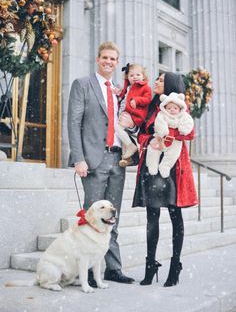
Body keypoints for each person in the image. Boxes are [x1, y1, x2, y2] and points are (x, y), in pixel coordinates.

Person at [68, 41, 135, 285]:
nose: (109, 62)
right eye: (105, 57)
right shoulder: (83, 85)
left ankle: (113, 270)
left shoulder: (120, 91)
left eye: (113, 59)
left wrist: (132, 124)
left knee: (112, 218)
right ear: (98, 59)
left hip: (119, 160)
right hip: (94, 160)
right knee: (93, 218)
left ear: (117, 63)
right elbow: (74, 123)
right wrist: (79, 158)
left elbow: (127, 124)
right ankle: (87, 273)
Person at [132, 72, 198, 287]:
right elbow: (141, 134)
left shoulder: (179, 107)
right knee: (152, 218)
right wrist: (152, 138)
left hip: (173, 168)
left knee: (174, 216)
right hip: (152, 166)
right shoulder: (153, 107)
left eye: (160, 80)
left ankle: (175, 265)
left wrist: (167, 136)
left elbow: (188, 133)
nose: (156, 82)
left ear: (169, 84)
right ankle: (150, 265)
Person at [146, 92, 194, 177]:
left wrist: (183, 129)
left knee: (173, 155)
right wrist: (163, 132)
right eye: (169, 108)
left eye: (175, 108)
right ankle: (152, 166)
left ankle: (165, 166)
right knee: (153, 150)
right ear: (164, 108)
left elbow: (189, 123)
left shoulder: (184, 116)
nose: (172, 110)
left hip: (175, 141)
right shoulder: (161, 114)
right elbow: (159, 123)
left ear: (180, 109)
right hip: (161, 138)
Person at [114, 63, 152, 166]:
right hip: (128, 114)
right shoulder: (129, 87)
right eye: (131, 75)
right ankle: (127, 157)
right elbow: (123, 96)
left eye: (138, 75)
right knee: (121, 134)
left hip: (135, 116)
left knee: (117, 128)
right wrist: (118, 93)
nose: (135, 77)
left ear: (143, 76)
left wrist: (136, 100)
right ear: (127, 78)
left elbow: (147, 99)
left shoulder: (145, 88)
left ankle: (131, 146)